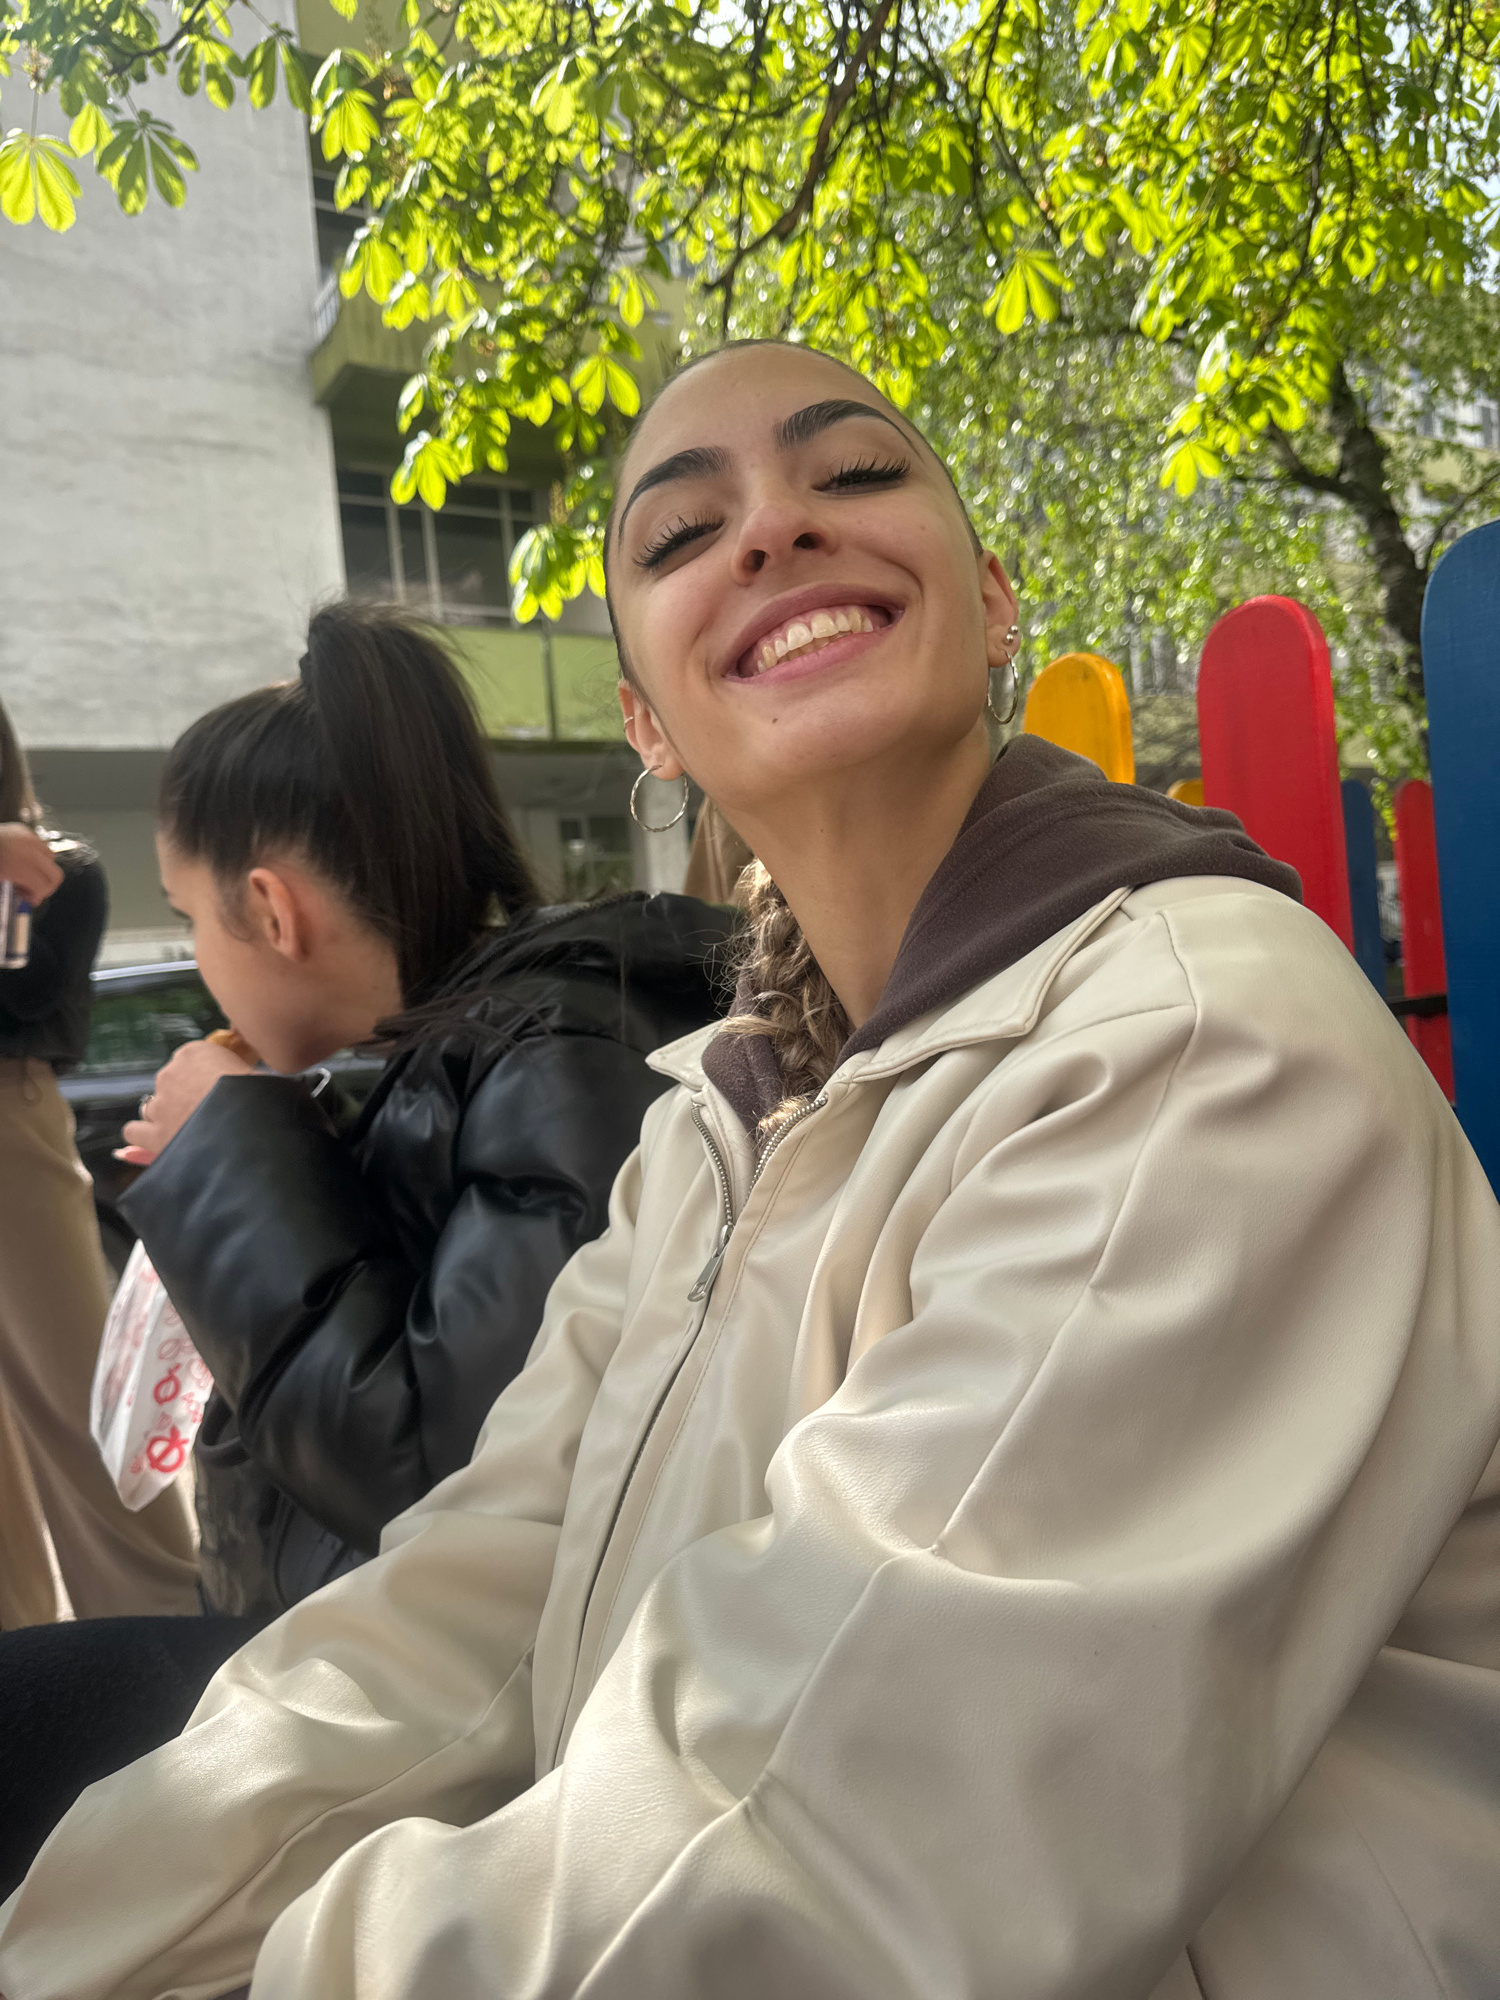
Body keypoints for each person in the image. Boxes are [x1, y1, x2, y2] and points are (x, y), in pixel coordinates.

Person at [3, 342, 1499, 2000]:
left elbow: (826, 1847)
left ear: (995, 603)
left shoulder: (1195, 1044)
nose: (776, 527)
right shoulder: (713, 1121)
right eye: (681, 532)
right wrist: (80, 1940)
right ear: (647, 722)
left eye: (851, 473)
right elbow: (484, 1592)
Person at [0, 605, 733, 1895]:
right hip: (369, 1669)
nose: (199, 963)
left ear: (270, 910)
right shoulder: (438, 1063)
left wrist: (231, 1161)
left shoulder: (560, 1061)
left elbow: (428, 1478)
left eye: (192, 918)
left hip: (469, 1730)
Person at [0, 698, 198, 1629]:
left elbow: (21, 993)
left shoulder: (58, 866)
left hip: (10, 1117)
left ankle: (159, 1631)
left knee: (80, 1394)